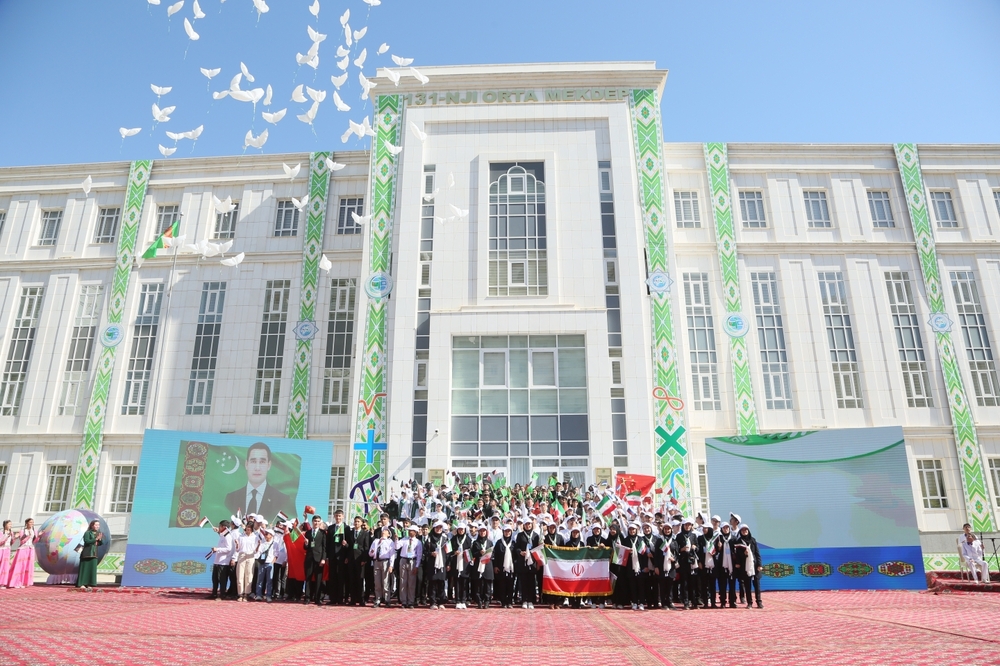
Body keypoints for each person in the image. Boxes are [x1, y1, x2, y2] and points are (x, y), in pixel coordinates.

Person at [224, 442, 296, 520]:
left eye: (262, 462)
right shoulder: (231, 499)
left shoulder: (282, 500)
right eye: (253, 461)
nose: (257, 468)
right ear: (246, 464)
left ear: (269, 465)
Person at [733, 524, 762, 608]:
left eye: (746, 530)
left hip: (754, 566)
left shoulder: (753, 540)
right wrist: (744, 554)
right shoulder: (738, 542)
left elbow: (757, 553)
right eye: (742, 530)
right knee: (747, 586)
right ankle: (750, 603)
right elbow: (737, 556)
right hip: (745, 567)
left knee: (757, 585)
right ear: (740, 532)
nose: (744, 531)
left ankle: (759, 602)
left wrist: (759, 565)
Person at [513, 517, 540, 609]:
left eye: (529, 524)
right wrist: (520, 552)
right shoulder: (520, 535)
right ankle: (524, 600)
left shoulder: (536, 535)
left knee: (532, 582)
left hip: (532, 562)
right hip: (523, 562)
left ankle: (531, 600)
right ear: (523, 525)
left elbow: (538, 548)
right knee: (523, 582)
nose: (528, 526)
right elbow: (516, 548)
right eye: (526, 524)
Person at [302, 515, 327, 606]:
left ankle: (318, 598)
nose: (316, 523)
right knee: (308, 579)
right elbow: (305, 547)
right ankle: (307, 598)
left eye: (318, 521)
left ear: (320, 522)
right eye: (315, 521)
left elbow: (324, 548)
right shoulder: (308, 533)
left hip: (319, 559)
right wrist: (306, 544)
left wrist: (323, 559)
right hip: (309, 558)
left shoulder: (323, 533)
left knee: (318, 579)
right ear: (312, 522)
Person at [369, 525, 396, 607]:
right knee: (377, 581)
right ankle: (378, 598)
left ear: (389, 534)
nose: (383, 531)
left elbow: (392, 555)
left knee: (385, 581)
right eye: (383, 530)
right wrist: (372, 552)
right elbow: (370, 553)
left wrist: (391, 565)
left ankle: (387, 599)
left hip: (385, 562)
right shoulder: (376, 541)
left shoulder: (390, 542)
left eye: (385, 530)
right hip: (377, 561)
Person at [345, 516, 370, 606]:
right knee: (352, 579)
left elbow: (366, 547)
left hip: (360, 559)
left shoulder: (365, 533)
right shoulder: (350, 533)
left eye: (358, 522)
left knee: (360, 579)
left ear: (361, 523)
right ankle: (353, 599)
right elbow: (349, 547)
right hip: (351, 559)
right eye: (355, 522)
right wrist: (346, 545)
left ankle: (361, 599)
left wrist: (364, 559)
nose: (356, 523)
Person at [325, 509, 349, 605]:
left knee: (341, 577)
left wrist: (346, 545)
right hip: (332, 556)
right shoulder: (330, 528)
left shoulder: (346, 528)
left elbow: (349, 544)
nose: (338, 518)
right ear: (334, 516)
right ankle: (333, 598)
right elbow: (327, 544)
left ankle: (341, 598)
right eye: (336, 516)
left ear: (343, 517)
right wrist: (327, 556)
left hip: (342, 557)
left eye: (340, 516)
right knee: (332, 577)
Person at [8, 518, 40, 588]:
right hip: (23, 548)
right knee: (20, 565)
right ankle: (16, 582)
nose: (32, 524)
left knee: (28, 566)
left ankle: (24, 582)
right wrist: (28, 536)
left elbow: (35, 541)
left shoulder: (34, 531)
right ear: (26, 523)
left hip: (30, 549)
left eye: (32, 522)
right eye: (30, 522)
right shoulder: (22, 531)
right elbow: (22, 541)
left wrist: (39, 536)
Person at [397, 524, 422, 608]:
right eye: (409, 530)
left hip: (412, 561)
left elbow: (419, 554)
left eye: (411, 530)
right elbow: (397, 546)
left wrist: (417, 566)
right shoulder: (404, 539)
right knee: (403, 581)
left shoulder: (418, 542)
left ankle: (411, 601)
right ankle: (404, 601)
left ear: (415, 532)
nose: (409, 531)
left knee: (411, 582)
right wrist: (396, 539)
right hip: (403, 560)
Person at [424, 520, 448, 609]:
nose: (438, 529)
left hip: (442, 565)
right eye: (437, 527)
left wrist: (448, 563)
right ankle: (433, 602)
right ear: (433, 528)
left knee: (441, 583)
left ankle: (441, 602)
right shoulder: (429, 538)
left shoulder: (445, 538)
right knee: (432, 583)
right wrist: (431, 553)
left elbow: (448, 552)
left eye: (440, 527)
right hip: (432, 564)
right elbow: (425, 551)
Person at [448, 522, 473, 609]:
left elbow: (471, 552)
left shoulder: (468, 539)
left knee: (465, 582)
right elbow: (449, 551)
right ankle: (457, 600)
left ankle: (463, 600)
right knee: (457, 582)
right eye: (459, 529)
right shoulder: (453, 539)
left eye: (462, 529)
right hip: (456, 563)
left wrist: (466, 554)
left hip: (465, 563)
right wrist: (455, 552)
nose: (461, 531)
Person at [493, 523, 516, 608]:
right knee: (502, 586)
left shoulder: (513, 543)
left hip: (510, 568)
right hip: (500, 567)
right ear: (503, 532)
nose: (507, 533)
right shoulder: (499, 542)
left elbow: (515, 556)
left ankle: (509, 601)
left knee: (510, 585)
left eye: (509, 531)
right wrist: (495, 566)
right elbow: (495, 555)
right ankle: (503, 602)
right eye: (506, 531)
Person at [210, 520, 234, 600]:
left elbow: (228, 548)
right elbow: (219, 534)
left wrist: (217, 549)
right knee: (215, 579)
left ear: (224, 527)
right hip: (217, 561)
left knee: (222, 579)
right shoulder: (222, 535)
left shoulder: (228, 536)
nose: (218, 527)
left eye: (220, 526)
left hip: (223, 562)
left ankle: (222, 595)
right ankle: (214, 594)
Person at [471, 524, 494, 609]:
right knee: (478, 584)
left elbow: (493, 553)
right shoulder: (475, 542)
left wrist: (488, 554)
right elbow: (472, 553)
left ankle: (487, 601)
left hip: (488, 565)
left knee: (487, 584)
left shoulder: (490, 542)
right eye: (481, 531)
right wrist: (479, 553)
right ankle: (479, 601)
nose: (482, 533)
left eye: (484, 531)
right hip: (478, 565)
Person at [75, 520, 103, 590]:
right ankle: (81, 583)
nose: (97, 526)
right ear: (92, 525)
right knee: (84, 569)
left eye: (98, 525)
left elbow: (100, 543)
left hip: (94, 554)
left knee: (91, 570)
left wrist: (100, 540)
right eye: (96, 525)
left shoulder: (98, 533)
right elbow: (87, 541)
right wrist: (96, 538)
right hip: (87, 554)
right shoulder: (87, 533)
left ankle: (89, 583)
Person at [234, 523, 258, 602]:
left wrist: (258, 546)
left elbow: (256, 550)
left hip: (250, 556)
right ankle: (240, 594)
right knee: (240, 575)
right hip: (242, 555)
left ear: (252, 529)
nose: (248, 529)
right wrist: (237, 544)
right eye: (247, 528)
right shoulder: (241, 536)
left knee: (249, 575)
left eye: (249, 528)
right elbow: (237, 549)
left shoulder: (255, 537)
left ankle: (246, 594)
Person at [255, 529, 278, 602]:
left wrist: (272, 563)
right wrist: (258, 545)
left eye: (267, 534)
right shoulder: (263, 543)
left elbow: (276, 555)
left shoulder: (275, 544)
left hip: (270, 564)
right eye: (265, 534)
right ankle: (258, 595)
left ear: (271, 535)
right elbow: (258, 552)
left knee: (269, 581)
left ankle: (268, 595)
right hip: (262, 563)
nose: (265, 535)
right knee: (260, 580)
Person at [0, 521, 12, 588]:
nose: (10, 525)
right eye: (9, 524)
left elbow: (11, 543)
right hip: (1, 550)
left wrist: (14, 537)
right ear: (5, 525)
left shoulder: (11, 533)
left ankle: (2, 583)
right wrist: (6, 537)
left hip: (7, 550)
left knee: (5, 567)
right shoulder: (1, 533)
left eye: (11, 524)